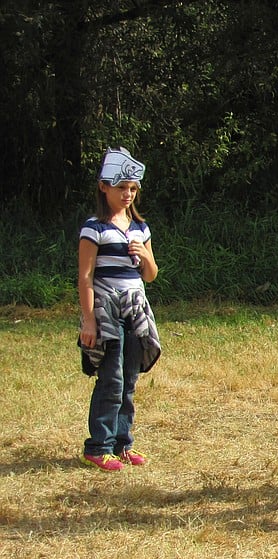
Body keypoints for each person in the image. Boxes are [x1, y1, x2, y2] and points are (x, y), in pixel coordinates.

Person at [77, 147, 161, 472]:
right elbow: (85, 276)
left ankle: (123, 444)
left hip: (135, 311)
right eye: (121, 187)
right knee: (109, 379)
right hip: (105, 312)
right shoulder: (93, 228)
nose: (127, 194)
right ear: (104, 187)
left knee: (128, 379)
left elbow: (151, 275)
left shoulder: (141, 228)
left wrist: (146, 255)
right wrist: (88, 321)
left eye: (132, 188)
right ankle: (98, 446)